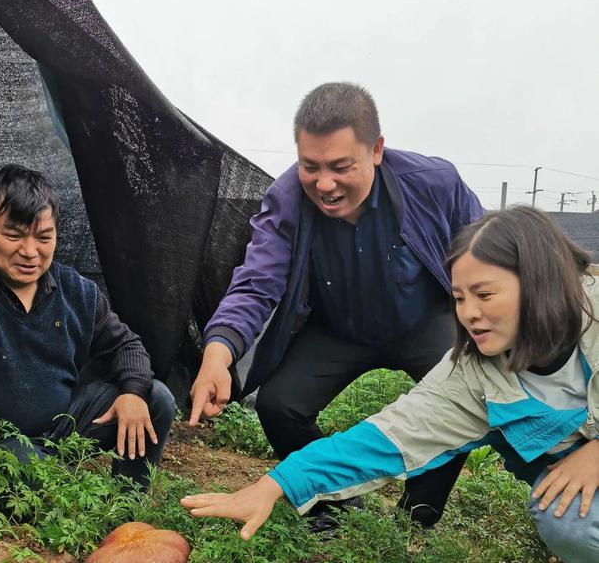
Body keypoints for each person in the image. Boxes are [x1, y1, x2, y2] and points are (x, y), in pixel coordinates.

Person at [182, 206, 599, 563]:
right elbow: (382, 439)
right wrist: (276, 484)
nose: (470, 314)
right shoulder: (472, 375)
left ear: (541, 283)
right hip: (570, 480)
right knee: (564, 512)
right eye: (458, 298)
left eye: (485, 294)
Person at [190, 82, 483, 529]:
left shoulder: (433, 183)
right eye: (311, 166)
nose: (324, 184)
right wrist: (218, 351)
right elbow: (256, 282)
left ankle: (416, 518)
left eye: (340, 166)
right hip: (338, 328)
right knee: (279, 405)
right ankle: (331, 508)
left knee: (455, 401)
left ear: (376, 150)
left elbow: (487, 251)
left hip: (424, 320)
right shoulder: (287, 199)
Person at [0, 164, 175, 490]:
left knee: (155, 399)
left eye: (43, 237)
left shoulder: (77, 291)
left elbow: (126, 345)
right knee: (23, 466)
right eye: (13, 235)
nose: (30, 252)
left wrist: (133, 394)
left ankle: (127, 513)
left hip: (61, 430)